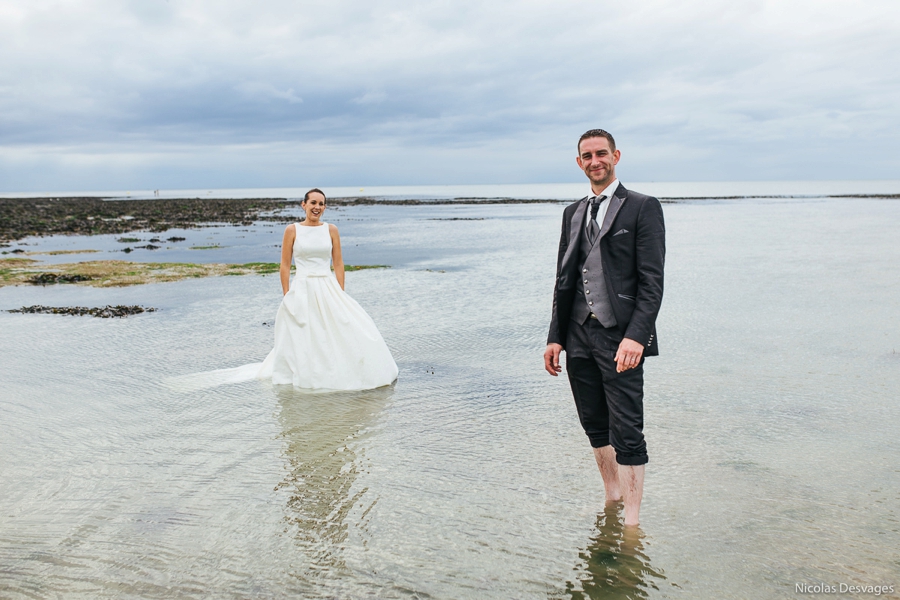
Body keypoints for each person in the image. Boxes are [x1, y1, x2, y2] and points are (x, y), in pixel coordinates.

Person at [543, 129, 665, 526]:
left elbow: (652, 281)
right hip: (577, 333)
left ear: (616, 156)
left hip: (620, 336)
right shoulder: (572, 212)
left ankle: (632, 522)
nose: (595, 161)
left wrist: (637, 336)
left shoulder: (643, 207)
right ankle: (611, 499)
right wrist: (554, 337)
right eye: (587, 156)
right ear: (579, 163)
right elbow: (563, 279)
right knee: (594, 423)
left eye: (601, 153)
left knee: (627, 427)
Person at [256, 188, 399, 390]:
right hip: (302, 288)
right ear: (303, 205)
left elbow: (338, 263)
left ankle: (342, 370)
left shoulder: (331, 230)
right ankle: (306, 372)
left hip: (327, 285)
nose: (317, 207)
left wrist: (340, 293)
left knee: (341, 328)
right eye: (313, 203)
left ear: (325, 207)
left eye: (321, 204)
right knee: (304, 332)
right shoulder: (292, 230)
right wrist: (287, 295)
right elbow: (285, 266)